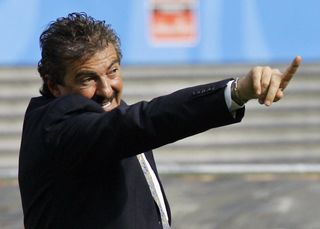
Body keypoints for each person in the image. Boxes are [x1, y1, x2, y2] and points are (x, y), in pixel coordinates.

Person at [18, 12, 301, 229]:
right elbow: (144, 121)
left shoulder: (113, 116)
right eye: (87, 78)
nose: (106, 89)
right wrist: (236, 91)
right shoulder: (57, 126)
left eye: (112, 71)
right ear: (54, 86)